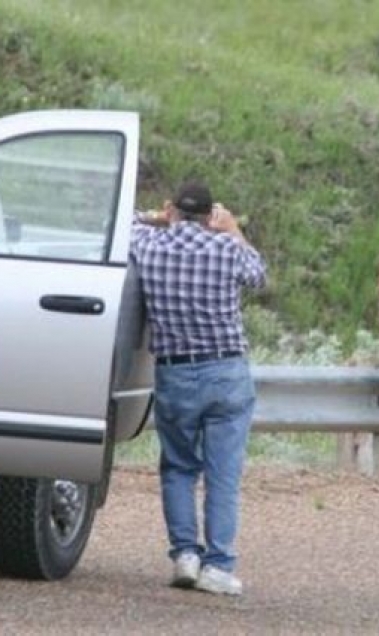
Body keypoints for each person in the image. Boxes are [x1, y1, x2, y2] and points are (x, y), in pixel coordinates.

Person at [130, 180, 267, 596]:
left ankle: (185, 555)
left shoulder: (148, 246)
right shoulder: (226, 249)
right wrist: (232, 228)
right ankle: (218, 565)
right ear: (211, 215)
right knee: (223, 474)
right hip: (225, 371)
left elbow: (124, 223)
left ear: (173, 210)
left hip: (174, 373)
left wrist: (155, 217)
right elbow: (259, 275)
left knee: (178, 467)